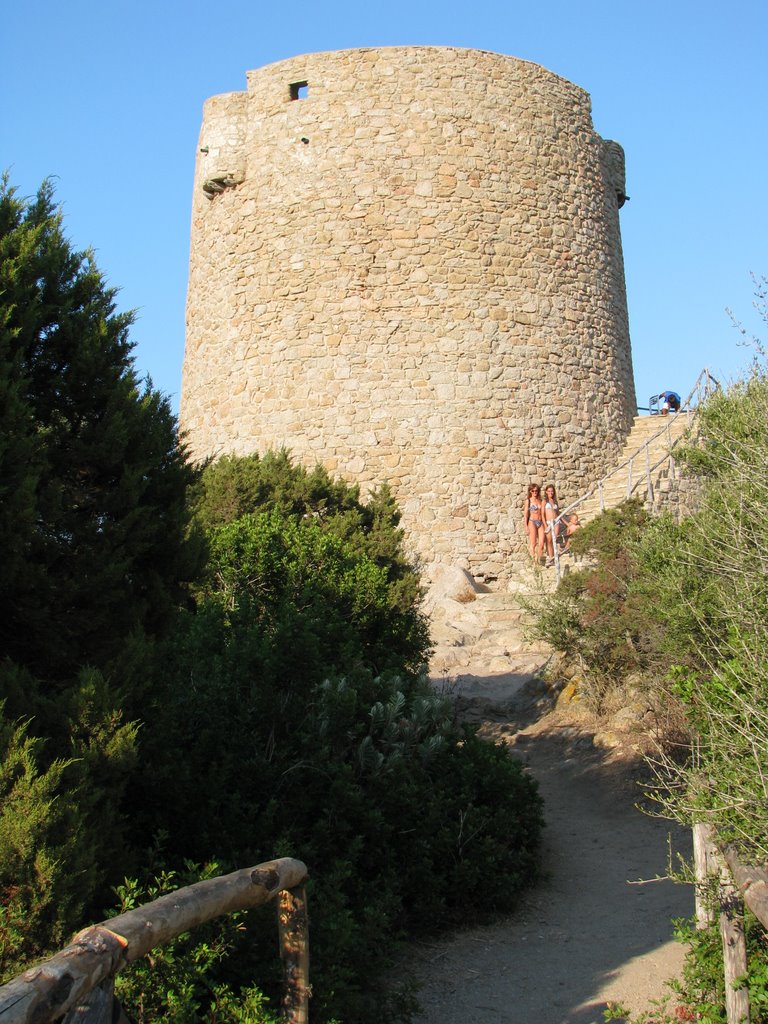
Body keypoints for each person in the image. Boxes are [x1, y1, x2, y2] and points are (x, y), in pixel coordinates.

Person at [523, 483, 545, 562]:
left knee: (541, 543)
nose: (535, 492)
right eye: (533, 491)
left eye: (536, 491)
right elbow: (525, 514)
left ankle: (538, 559)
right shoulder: (528, 501)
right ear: (530, 491)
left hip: (540, 522)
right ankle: (533, 561)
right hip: (532, 521)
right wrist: (525, 526)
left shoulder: (540, 501)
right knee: (533, 543)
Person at [542, 483, 560, 562]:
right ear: (546, 492)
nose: (550, 493)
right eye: (549, 491)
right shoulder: (544, 501)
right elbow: (542, 514)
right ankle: (550, 556)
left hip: (556, 521)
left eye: (552, 491)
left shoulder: (555, 501)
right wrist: (545, 525)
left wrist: (566, 523)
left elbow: (558, 513)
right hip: (548, 522)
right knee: (549, 540)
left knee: (554, 539)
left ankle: (554, 557)